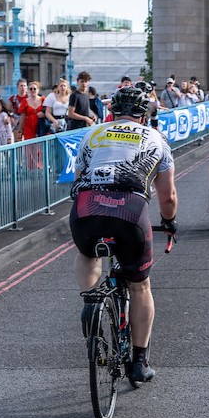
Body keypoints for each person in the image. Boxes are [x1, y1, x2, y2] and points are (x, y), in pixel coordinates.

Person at [69, 86, 178, 383]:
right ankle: (139, 362)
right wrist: (169, 223)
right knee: (140, 286)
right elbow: (167, 196)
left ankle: (91, 303)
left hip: (87, 207)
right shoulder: (156, 138)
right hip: (129, 213)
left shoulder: (92, 134)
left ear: (112, 113)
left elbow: (79, 181)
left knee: (87, 252)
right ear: (144, 115)